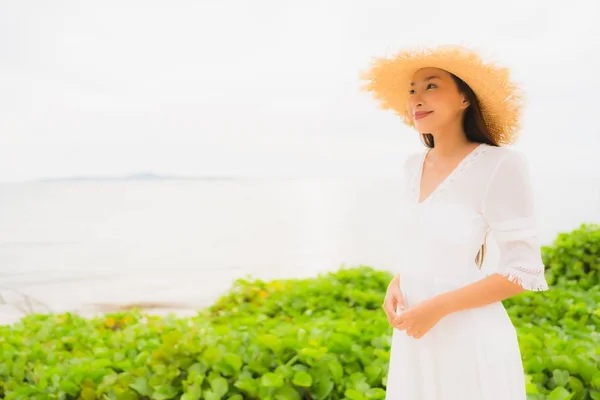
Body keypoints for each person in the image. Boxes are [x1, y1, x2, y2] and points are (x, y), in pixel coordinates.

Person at [360, 45, 550, 399]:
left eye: (431, 86)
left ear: (465, 97)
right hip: (416, 337)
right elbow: (428, 244)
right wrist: (397, 282)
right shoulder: (412, 166)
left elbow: (524, 272)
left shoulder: (500, 165)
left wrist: (438, 307)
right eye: (412, 90)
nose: (417, 98)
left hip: (468, 339)